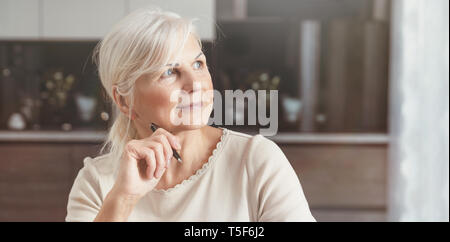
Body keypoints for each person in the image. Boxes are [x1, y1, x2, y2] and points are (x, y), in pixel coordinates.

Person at [65, 8, 315, 222]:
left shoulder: (256, 161)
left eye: (198, 65)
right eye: (169, 72)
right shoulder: (97, 182)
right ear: (124, 101)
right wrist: (124, 199)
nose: (196, 85)